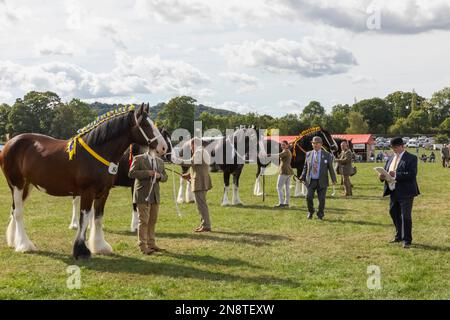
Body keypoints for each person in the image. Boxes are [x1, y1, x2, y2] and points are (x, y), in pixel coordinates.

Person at [379, 137, 420, 249]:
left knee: (405, 216)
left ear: (402, 146)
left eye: (396, 147)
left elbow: (412, 174)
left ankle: (407, 240)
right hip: (393, 191)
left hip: (406, 191)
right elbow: (386, 170)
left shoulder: (411, 158)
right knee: (393, 213)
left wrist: (396, 175)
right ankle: (399, 236)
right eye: (392, 148)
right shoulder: (391, 158)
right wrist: (382, 176)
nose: (394, 149)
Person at [129, 149, 168, 255]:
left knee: (152, 220)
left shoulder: (160, 161)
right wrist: (147, 173)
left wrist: (160, 176)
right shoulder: (138, 158)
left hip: (155, 195)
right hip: (142, 195)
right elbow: (131, 173)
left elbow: (165, 177)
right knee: (144, 221)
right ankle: (142, 245)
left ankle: (151, 243)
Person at [300, 136, 337, 220]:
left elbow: (331, 168)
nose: (315, 145)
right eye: (313, 143)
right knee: (308, 197)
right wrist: (302, 176)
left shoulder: (327, 155)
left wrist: (333, 179)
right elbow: (305, 166)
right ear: (312, 144)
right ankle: (311, 211)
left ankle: (320, 214)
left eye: (317, 143)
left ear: (321, 144)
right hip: (310, 180)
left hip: (322, 181)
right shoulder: (308, 154)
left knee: (322, 199)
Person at [180, 138, 213, 232]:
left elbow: (191, 162)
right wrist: (189, 175)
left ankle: (206, 225)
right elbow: (200, 167)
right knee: (201, 204)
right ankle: (204, 224)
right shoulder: (203, 151)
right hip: (202, 180)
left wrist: (177, 160)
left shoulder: (198, 151)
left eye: (191, 145)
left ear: (194, 144)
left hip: (199, 182)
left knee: (201, 205)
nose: (190, 148)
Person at [274, 140, 294, 208]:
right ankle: (286, 203)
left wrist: (268, 155)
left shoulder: (286, 151)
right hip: (288, 171)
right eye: (281, 145)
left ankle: (281, 203)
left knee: (279, 187)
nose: (282, 146)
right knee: (287, 188)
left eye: (284, 145)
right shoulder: (286, 151)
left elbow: (278, 155)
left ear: (287, 145)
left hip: (284, 171)